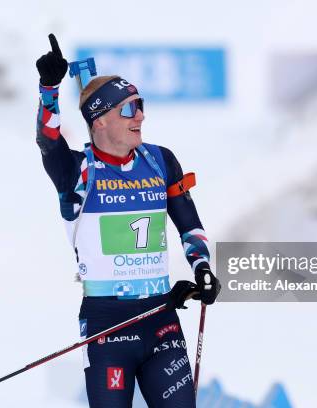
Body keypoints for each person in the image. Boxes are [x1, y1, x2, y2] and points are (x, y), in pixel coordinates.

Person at [35, 34, 220, 408]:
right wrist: (49, 89)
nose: (140, 115)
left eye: (140, 105)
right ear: (99, 121)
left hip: (161, 321)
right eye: (128, 108)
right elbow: (48, 141)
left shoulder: (160, 161)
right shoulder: (77, 170)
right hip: (107, 327)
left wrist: (202, 268)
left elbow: (188, 224)